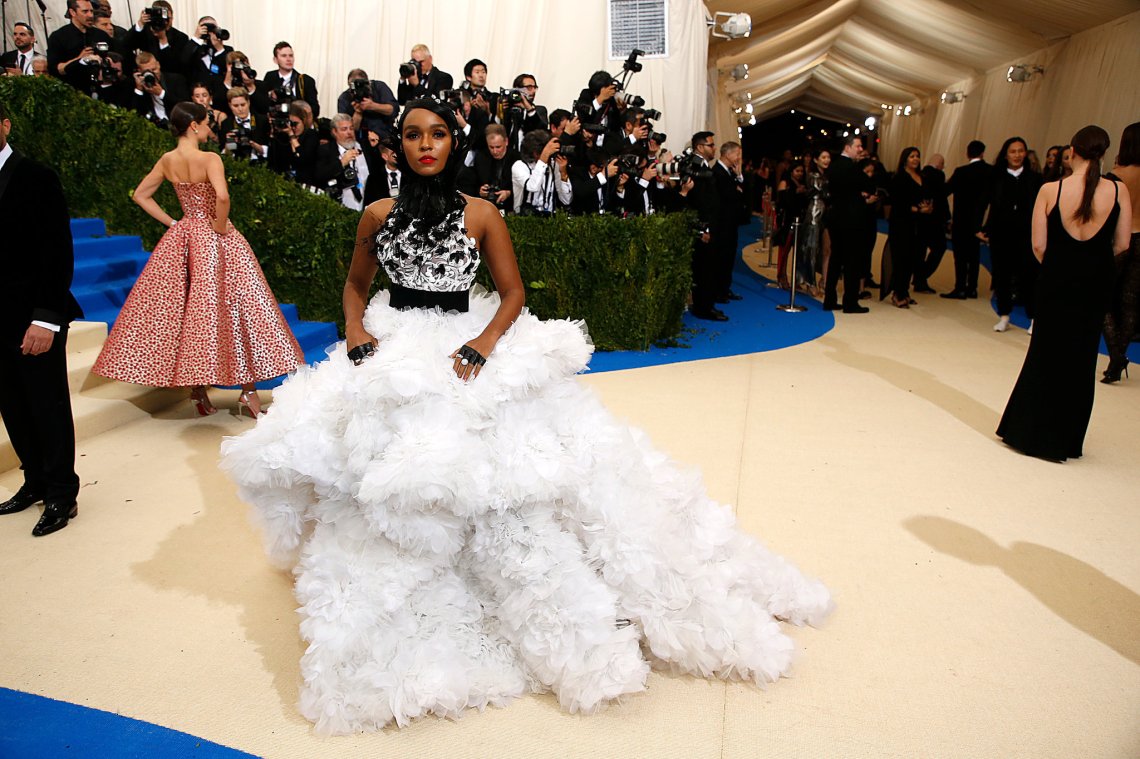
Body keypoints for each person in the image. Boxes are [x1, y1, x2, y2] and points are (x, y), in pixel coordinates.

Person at [218, 97, 833, 735]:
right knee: (378, 463)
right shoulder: (376, 213)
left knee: (517, 472)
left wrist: (484, 344)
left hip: (468, 340)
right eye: (411, 135)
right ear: (395, 145)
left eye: (436, 134)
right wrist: (353, 331)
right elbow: (354, 284)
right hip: (393, 341)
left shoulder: (481, 213)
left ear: (452, 142)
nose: (425, 145)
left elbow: (512, 293)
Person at [92, 102, 304, 417]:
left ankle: (198, 392)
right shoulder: (209, 158)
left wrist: (175, 223)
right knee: (239, 309)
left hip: (184, 238)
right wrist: (219, 228)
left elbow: (140, 195)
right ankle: (248, 392)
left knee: (188, 311)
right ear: (193, 126)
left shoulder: (167, 160)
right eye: (206, 124)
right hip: (217, 240)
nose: (209, 130)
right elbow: (221, 196)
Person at [996, 125, 1131, 461]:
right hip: (1096, 281)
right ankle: (1067, 439)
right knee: (1082, 358)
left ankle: (1029, 431)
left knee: (1045, 352)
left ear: (1072, 151)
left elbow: (1038, 245)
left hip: (1057, 278)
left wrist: (1059, 266)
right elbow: (1123, 243)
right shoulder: (1118, 191)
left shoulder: (1049, 190)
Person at [0, 99, 84, 537]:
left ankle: (61, 493)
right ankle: (34, 481)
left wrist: (46, 318)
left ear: (6, 125)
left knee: (46, 403)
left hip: (33, 315)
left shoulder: (36, 177)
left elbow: (56, 252)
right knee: (11, 405)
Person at [979, 137, 1043, 332]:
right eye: (1013, 151)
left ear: (1026, 153)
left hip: (1026, 236)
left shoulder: (1035, 179)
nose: (1017, 155)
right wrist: (981, 228)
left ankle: (1034, 318)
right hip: (1001, 235)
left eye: (1020, 151)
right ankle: (1004, 315)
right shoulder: (995, 177)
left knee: (1029, 277)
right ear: (1006, 154)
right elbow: (986, 204)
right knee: (1002, 276)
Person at [1102, 122, 1140, 383]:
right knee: (1129, 302)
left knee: (1103, 298)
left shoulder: (1115, 177)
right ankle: (1118, 358)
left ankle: (1116, 357)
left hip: (1118, 240)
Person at [824, 134, 871, 313]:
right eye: (858, 146)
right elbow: (868, 184)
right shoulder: (851, 167)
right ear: (847, 147)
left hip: (835, 218)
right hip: (850, 220)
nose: (860, 150)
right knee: (852, 261)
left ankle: (830, 299)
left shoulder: (834, 166)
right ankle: (850, 302)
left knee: (836, 259)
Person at [942, 140, 991, 299]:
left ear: (968, 153)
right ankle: (972, 288)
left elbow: (945, 191)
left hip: (961, 221)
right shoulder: (990, 172)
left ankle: (960, 287)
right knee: (974, 255)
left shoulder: (961, 172)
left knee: (961, 257)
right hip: (978, 222)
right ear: (982, 153)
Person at [885, 147, 932, 308]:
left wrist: (927, 207)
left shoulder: (921, 177)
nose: (915, 159)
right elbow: (898, 203)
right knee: (901, 259)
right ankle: (897, 293)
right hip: (901, 223)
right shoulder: (899, 178)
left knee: (913, 258)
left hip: (919, 224)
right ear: (905, 159)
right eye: (912, 156)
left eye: (917, 156)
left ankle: (904, 291)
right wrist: (918, 209)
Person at [774, 162, 808, 290]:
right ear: (791, 171)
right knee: (785, 250)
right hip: (787, 221)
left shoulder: (803, 185)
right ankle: (781, 276)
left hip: (800, 221)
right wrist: (795, 192)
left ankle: (797, 280)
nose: (799, 173)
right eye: (797, 171)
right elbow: (782, 201)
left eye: (801, 171)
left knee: (798, 251)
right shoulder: (785, 183)